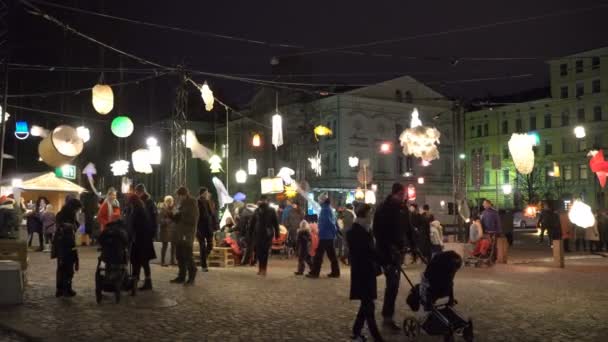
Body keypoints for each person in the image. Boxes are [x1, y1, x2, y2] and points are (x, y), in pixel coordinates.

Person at [373, 183, 409, 331]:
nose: (403, 197)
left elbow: (408, 228)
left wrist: (413, 246)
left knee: (394, 285)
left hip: (398, 252)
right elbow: (377, 231)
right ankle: (387, 317)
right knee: (392, 284)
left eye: (403, 195)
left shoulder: (403, 209)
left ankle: (388, 315)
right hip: (387, 253)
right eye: (401, 195)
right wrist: (388, 248)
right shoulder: (383, 208)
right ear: (394, 193)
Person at [347, 204, 384, 342]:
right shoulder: (357, 232)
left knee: (366, 303)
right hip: (362, 272)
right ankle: (376, 336)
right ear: (364, 215)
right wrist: (383, 259)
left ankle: (356, 331)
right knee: (368, 305)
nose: (371, 217)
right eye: (370, 214)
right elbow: (368, 252)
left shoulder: (365, 230)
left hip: (367, 271)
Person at [126, 194, 156, 291]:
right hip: (142, 240)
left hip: (140, 240)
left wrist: (131, 235)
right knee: (140, 261)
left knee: (140, 261)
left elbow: (135, 225)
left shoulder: (138, 211)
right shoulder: (141, 209)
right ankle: (139, 280)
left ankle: (139, 281)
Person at [53, 198, 82, 297]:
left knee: (67, 266)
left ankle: (65, 288)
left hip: (68, 243)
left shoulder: (69, 215)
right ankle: (62, 289)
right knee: (64, 266)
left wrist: (74, 226)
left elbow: (75, 226)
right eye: (76, 209)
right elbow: (61, 226)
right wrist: (69, 226)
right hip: (64, 243)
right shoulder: (62, 215)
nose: (77, 211)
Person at [307, 194, 340, 278]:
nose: (318, 201)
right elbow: (332, 222)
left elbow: (327, 222)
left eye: (319, 200)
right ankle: (335, 272)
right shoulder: (328, 209)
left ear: (322, 201)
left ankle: (315, 272)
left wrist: (320, 230)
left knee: (318, 255)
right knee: (331, 255)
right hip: (329, 235)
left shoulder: (325, 210)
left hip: (325, 235)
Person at [172, 187, 199, 285]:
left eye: (179, 196)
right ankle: (181, 276)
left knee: (188, 256)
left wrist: (180, 215)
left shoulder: (192, 202)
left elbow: (193, 219)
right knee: (179, 255)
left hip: (187, 234)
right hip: (180, 234)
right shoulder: (181, 203)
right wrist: (172, 215)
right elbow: (178, 218)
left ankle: (191, 277)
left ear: (184, 194)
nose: (178, 198)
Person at [249, 196, 279, 276]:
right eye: (261, 200)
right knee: (259, 252)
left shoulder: (271, 210)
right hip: (258, 233)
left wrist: (277, 234)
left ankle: (263, 269)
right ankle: (260, 268)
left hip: (267, 234)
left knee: (265, 252)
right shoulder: (257, 210)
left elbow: (275, 223)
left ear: (266, 201)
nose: (262, 202)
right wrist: (250, 233)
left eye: (263, 200)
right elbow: (252, 223)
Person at [197, 187, 218, 272]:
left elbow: (212, 215)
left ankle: (203, 259)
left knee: (210, 245)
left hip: (208, 227)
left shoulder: (209, 202)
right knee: (202, 246)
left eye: (207, 193)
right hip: (200, 227)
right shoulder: (197, 201)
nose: (207, 194)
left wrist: (215, 225)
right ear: (202, 193)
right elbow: (198, 215)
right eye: (206, 193)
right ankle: (204, 266)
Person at [159, 195, 177, 266]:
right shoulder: (163, 210)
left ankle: (172, 260)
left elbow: (178, 218)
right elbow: (159, 220)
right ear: (165, 202)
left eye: (171, 201)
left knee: (173, 246)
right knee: (165, 246)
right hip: (165, 230)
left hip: (173, 230)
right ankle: (162, 261)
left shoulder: (174, 209)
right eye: (168, 201)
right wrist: (166, 221)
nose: (169, 203)